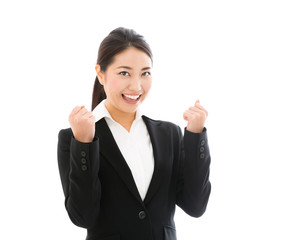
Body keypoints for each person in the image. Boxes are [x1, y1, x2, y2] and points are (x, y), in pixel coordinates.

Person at [57, 27, 211, 240]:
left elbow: (196, 206)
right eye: (124, 73)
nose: (136, 86)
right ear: (100, 74)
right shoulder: (74, 137)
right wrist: (84, 143)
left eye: (145, 73)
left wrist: (195, 136)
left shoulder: (169, 134)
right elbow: (83, 216)